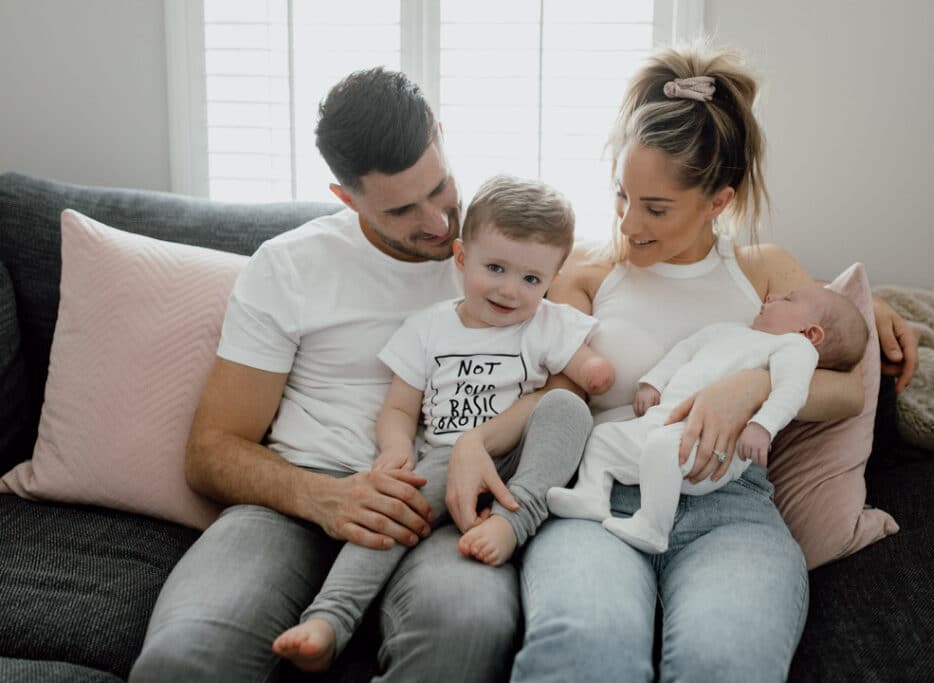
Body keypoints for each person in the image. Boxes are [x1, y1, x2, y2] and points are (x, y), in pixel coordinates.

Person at [129, 68, 592, 682]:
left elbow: (569, 382)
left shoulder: (502, 250)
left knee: (467, 630)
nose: (436, 222)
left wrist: (480, 442)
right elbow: (211, 451)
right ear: (346, 198)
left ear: (443, 141)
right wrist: (325, 498)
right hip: (295, 503)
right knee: (183, 661)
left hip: (444, 506)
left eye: (441, 187)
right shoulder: (290, 266)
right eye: (402, 209)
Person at [502, 44, 920, 682]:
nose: (628, 223)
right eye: (621, 196)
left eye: (656, 208)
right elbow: (555, 400)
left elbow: (847, 389)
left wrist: (751, 387)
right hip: (606, 492)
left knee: (727, 662)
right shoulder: (585, 273)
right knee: (584, 650)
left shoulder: (762, 270)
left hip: (730, 507)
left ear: (718, 202)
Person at [271, 174, 613, 671]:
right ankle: (330, 618)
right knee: (391, 506)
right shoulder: (429, 327)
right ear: (460, 257)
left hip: (517, 463)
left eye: (531, 279)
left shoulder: (546, 323)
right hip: (443, 458)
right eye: (495, 267)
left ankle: (512, 523)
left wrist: (594, 370)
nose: (510, 290)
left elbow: (585, 370)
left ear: (551, 279)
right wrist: (395, 450)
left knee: (566, 408)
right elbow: (399, 409)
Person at [548, 285, 869, 553]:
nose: (770, 298)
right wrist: (653, 382)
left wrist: (762, 426)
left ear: (810, 333)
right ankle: (591, 495)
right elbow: (684, 351)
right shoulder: (727, 331)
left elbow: (792, 391)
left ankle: (652, 526)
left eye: (787, 300)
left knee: (663, 447)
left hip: (713, 449)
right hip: (660, 424)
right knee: (604, 438)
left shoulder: (794, 347)